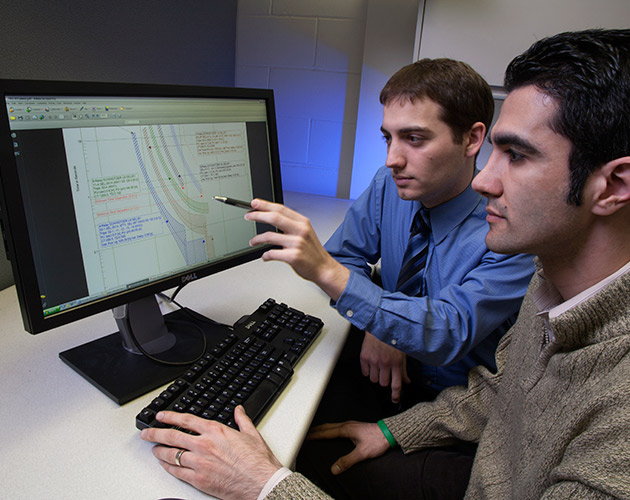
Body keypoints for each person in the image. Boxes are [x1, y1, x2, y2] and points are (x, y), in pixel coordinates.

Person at [141, 28, 630, 499]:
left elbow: (447, 330)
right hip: (438, 409)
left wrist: (264, 487)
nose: (485, 182)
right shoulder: (554, 286)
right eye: (387, 138)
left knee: (293, 454)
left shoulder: (518, 245)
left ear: (470, 139)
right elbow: (506, 393)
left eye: (517, 155)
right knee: (291, 419)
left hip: (454, 415)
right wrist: (383, 332)